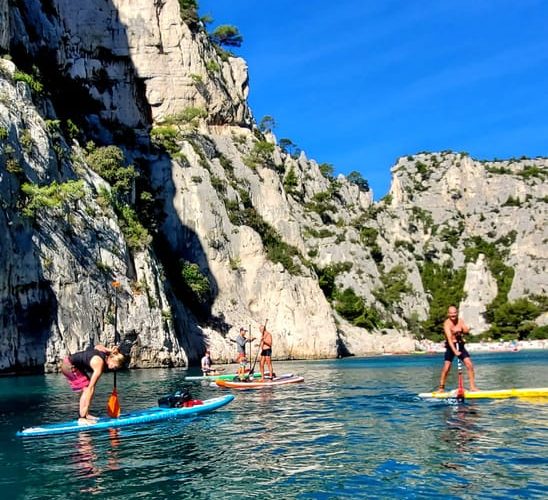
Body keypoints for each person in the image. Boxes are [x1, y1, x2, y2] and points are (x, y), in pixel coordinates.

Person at [61, 344, 125, 425]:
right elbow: (91, 388)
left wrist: (109, 350)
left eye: (116, 367)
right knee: (87, 388)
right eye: (115, 364)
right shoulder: (99, 363)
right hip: (69, 366)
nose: (114, 368)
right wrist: (89, 392)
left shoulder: (104, 353)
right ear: (111, 358)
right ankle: (82, 418)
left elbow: (97, 347)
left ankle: (85, 415)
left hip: (71, 364)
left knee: (86, 387)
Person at [436, 305, 478, 392]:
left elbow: (466, 330)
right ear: (448, 314)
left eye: (454, 313)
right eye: (451, 313)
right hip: (451, 346)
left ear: (457, 313)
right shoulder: (446, 324)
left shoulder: (460, 321)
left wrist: (461, 330)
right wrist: (454, 351)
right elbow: (449, 339)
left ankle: (473, 387)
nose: (453, 315)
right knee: (447, 367)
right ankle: (441, 388)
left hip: (460, 344)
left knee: (469, 364)